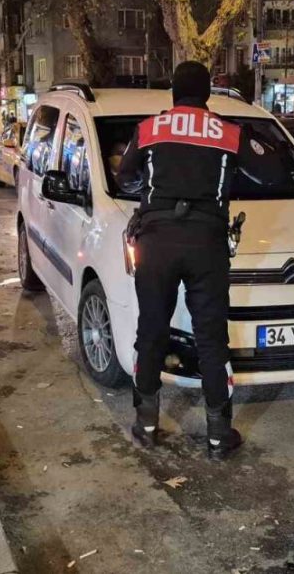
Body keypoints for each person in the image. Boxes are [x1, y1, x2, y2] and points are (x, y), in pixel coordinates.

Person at [116, 61, 245, 461]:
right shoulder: (229, 132)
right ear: (206, 93)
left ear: (173, 92)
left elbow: (125, 177)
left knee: (151, 330)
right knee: (211, 338)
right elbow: (257, 172)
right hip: (207, 243)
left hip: (156, 242)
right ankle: (219, 437)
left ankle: (146, 426)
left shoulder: (150, 128)